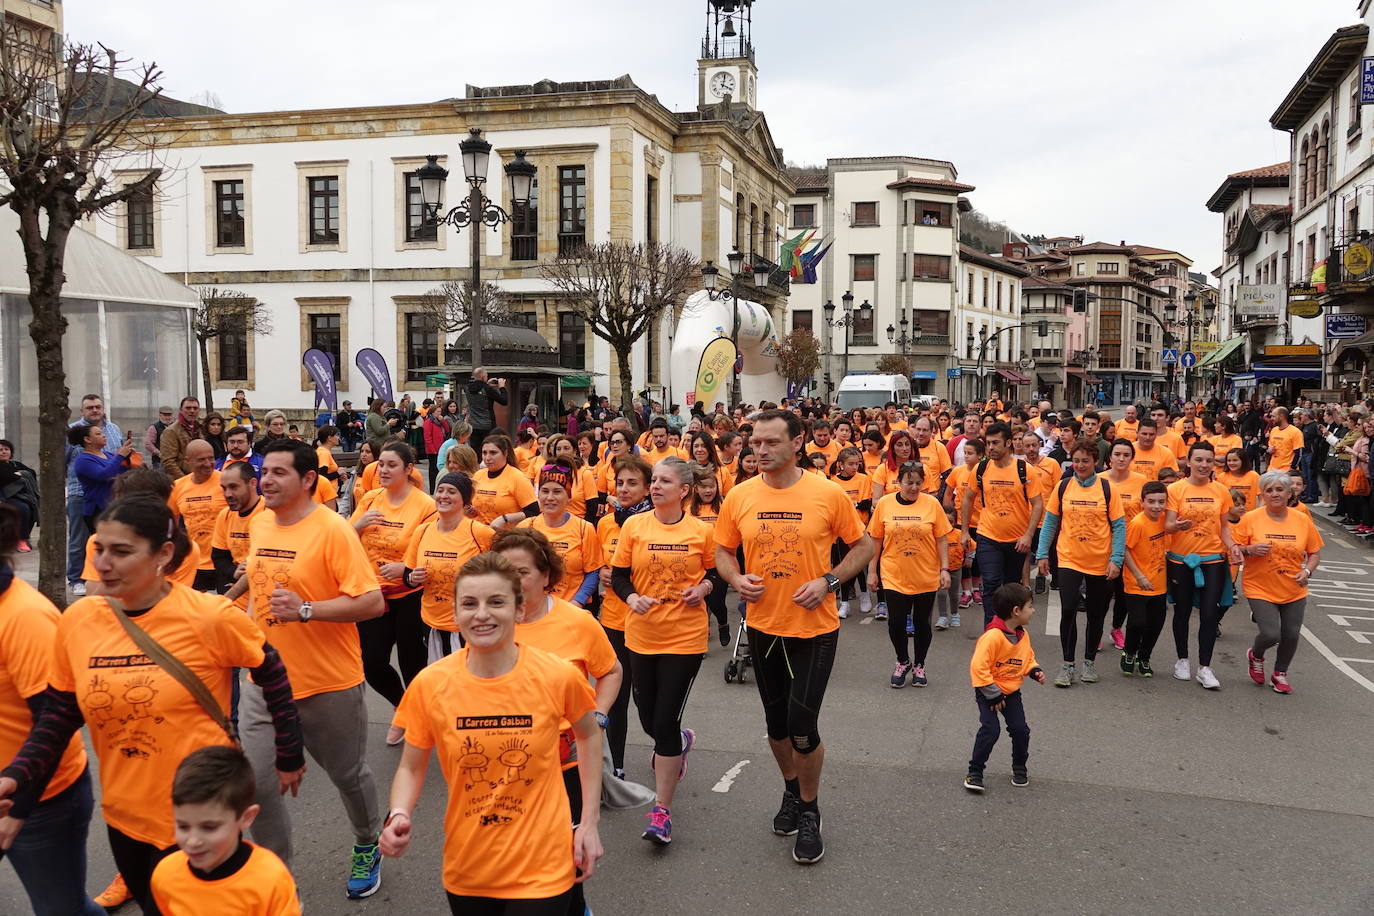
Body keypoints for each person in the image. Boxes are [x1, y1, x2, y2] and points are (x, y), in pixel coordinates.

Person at [0, 495, 303, 914]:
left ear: (162, 554)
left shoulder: (209, 616)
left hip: (198, 815)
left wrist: (289, 751)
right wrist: (19, 776)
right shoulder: (80, 620)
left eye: (121, 552)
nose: (103, 563)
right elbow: (58, 715)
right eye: (98, 548)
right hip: (124, 814)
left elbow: (269, 669)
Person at [379, 553, 603, 914]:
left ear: (519, 610)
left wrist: (588, 824)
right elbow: (411, 766)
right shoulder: (431, 684)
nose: (481, 614)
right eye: (469, 603)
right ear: (455, 614)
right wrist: (399, 813)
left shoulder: (557, 675)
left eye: (496, 602)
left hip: (543, 865)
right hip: (468, 867)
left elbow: (589, 736)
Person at [714, 410, 871, 866]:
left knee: (803, 728)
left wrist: (829, 581)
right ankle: (790, 789)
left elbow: (862, 546)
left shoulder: (827, 493)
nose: (759, 451)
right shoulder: (740, 496)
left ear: (798, 442)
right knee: (777, 727)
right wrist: (734, 578)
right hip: (763, 628)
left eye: (770, 443)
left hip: (814, 630)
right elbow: (723, 550)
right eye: (755, 443)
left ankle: (809, 808)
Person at [233, 440, 386, 899]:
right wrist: (230, 605)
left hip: (327, 684)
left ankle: (367, 842)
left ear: (307, 481)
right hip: (264, 681)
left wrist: (306, 609)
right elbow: (256, 580)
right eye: (266, 471)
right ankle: (279, 880)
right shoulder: (260, 523)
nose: (268, 480)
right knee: (258, 782)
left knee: (348, 774)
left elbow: (372, 601)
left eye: (280, 473)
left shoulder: (332, 531)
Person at [493, 528, 620, 914]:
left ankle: (575, 907)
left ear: (546, 576)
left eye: (522, 572)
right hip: (507, 761)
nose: (512, 582)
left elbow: (611, 670)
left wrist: (597, 715)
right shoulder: (489, 622)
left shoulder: (576, 622)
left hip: (567, 759)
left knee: (568, 851)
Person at [0, 504, 106, 916]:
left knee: (62, 910)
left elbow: (55, 721)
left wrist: (21, 809)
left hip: (38, 800)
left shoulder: (26, 618)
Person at [610, 457, 714, 846]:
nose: (655, 487)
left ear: (684, 490)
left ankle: (662, 812)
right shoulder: (634, 526)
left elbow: (716, 573)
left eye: (664, 482)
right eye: (653, 481)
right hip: (640, 635)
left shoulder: (701, 531)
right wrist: (632, 596)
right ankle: (679, 744)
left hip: (685, 638)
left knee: (665, 720)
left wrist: (702, 589)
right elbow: (619, 575)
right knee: (650, 720)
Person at [351, 442, 437, 745]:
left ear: (408, 469)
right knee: (371, 663)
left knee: (413, 664)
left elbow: (431, 549)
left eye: (390, 465)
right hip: (372, 595)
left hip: (409, 595)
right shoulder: (371, 498)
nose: (382, 470)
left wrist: (404, 567)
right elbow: (344, 540)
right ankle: (403, 708)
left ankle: (418, 717)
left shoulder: (425, 505)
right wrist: (359, 523)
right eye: (381, 465)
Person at [150, 747, 300, 916]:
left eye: (209, 827)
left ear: (246, 817)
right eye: (183, 826)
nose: (193, 841)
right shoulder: (165, 876)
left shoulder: (271, 879)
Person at [1036, 442, 1126, 688]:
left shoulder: (1107, 489)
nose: (1080, 465)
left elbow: (1119, 527)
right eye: (1076, 460)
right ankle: (1067, 664)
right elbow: (1051, 522)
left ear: (1094, 461)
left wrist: (1116, 560)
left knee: (1096, 614)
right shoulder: (1063, 487)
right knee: (1068, 611)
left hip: (1100, 561)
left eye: (1085, 460)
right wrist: (1042, 554)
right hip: (1068, 559)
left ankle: (1089, 661)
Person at [1233, 470, 1323, 695]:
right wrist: (1249, 549)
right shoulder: (1251, 519)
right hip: (1259, 586)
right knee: (1271, 634)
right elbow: (1233, 548)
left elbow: (1314, 553)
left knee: (1291, 634)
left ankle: (1280, 673)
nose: (1274, 494)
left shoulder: (1302, 519)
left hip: (1294, 587)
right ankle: (1256, 654)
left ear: (1289, 492)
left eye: (1279, 489)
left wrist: (1307, 571)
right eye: (1269, 490)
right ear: (1262, 494)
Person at [867, 461, 951, 688]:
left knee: (922, 622)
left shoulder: (932, 504)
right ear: (899, 482)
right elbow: (876, 540)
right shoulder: (885, 504)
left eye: (918, 483)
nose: (914, 488)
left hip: (925, 574)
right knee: (895, 622)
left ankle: (920, 665)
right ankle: (903, 661)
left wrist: (945, 569)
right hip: (894, 573)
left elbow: (942, 539)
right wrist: (871, 571)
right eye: (909, 482)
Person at [596, 454, 654, 779]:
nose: (625, 488)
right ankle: (616, 767)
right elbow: (595, 566)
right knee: (616, 698)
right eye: (620, 482)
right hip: (614, 621)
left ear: (647, 489)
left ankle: (669, 743)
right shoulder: (605, 523)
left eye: (633, 483)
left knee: (646, 700)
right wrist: (604, 572)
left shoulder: (655, 522)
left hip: (647, 624)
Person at [1165, 441, 1238, 690]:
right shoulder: (1175, 489)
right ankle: (1182, 660)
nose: (1204, 465)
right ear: (1189, 461)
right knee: (1182, 611)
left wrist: (1233, 547)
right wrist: (1178, 526)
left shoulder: (1221, 490)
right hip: (1181, 559)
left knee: (1209, 614)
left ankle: (1205, 667)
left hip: (1213, 559)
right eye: (1199, 460)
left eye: (1209, 460)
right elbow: (1168, 525)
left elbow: (1225, 526)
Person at [402, 472, 494, 663]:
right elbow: (407, 575)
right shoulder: (422, 531)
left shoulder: (480, 533)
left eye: (451, 492)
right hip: (431, 622)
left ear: (464, 501)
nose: (443, 495)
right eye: (440, 490)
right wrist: (412, 579)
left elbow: (504, 574)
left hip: (468, 625)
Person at [963, 583, 1044, 793]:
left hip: (1011, 691)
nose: (1033, 610)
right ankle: (975, 772)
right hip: (988, 692)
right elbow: (978, 668)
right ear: (1016, 611)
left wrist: (1034, 670)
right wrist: (993, 695)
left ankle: (1019, 768)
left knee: (1020, 730)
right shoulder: (992, 637)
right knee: (991, 730)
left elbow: (1026, 658)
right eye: (1030, 606)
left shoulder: (1022, 635)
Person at [963, 423, 1044, 628]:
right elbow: (967, 499)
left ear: (1008, 443)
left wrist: (1028, 535)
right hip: (988, 536)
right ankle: (991, 629)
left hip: (1017, 540)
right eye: (988, 443)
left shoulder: (1024, 470)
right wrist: (964, 531)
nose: (990, 448)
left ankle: (1009, 627)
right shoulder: (981, 468)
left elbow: (1037, 504)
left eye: (995, 443)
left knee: (1010, 588)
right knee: (990, 584)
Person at [517, 462, 603, 607]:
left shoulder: (584, 529)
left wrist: (577, 602)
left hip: (571, 609)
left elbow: (593, 572)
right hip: (533, 609)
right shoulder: (526, 528)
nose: (550, 497)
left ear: (568, 496)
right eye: (545, 491)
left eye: (557, 491)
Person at [1121, 481, 1170, 677]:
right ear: (1142, 502)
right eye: (1151, 501)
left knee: (1156, 623)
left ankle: (1145, 656)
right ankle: (1129, 652)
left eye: (1161, 501)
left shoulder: (1165, 519)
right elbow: (1124, 550)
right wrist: (1139, 575)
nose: (1156, 506)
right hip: (1137, 583)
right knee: (1138, 622)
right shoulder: (1138, 523)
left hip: (1159, 583)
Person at [168, 440, 227, 592]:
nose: (208, 464)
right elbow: (171, 526)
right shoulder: (178, 487)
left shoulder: (226, 482)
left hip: (224, 560)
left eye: (211, 458)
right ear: (188, 461)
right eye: (201, 459)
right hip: (193, 561)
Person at [210, 460, 266, 598]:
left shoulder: (269, 512)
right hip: (237, 599)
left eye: (234, 487)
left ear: (253, 483)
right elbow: (218, 556)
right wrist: (233, 571)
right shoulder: (225, 515)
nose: (227, 494)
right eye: (224, 488)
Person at [69, 421, 135, 533]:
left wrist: (127, 458)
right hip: (97, 510)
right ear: (87, 439)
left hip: (113, 506)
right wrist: (120, 456)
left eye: (102, 433)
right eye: (98, 434)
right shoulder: (83, 460)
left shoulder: (108, 455)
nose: (103, 435)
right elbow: (104, 475)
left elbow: (122, 472)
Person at [473, 435, 538, 530]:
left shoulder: (517, 477)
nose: (487, 457)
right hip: (479, 535)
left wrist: (505, 519)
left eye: (493, 453)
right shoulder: (478, 475)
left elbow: (534, 512)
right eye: (484, 453)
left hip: (507, 537)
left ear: (505, 453)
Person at [0, 440, 38, 552]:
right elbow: (5, 476)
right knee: (23, 508)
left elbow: (31, 473)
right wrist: (17, 475)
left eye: (6, 449)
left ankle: (23, 538)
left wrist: (19, 474)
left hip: (20, 496)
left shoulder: (16, 464)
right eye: (0, 450)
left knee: (33, 507)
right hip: (3, 497)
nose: (3, 452)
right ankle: (21, 539)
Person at [160, 397, 204, 480]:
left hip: (198, 478)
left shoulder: (200, 429)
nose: (192, 411)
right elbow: (168, 462)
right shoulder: (171, 431)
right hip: (180, 481)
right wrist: (185, 480)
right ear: (181, 410)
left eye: (195, 408)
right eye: (188, 408)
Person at [465, 368, 510, 447]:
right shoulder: (487, 389)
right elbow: (504, 401)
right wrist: (502, 387)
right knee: (489, 447)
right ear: (483, 377)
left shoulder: (467, 388)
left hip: (474, 426)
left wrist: (486, 384)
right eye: (486, 376)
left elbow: (477, 387)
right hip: (487, 425)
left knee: (476, 450)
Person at [1266, 406, 1304, 474]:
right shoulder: (1274, 430)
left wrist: (1292, 469)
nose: (1272, 419)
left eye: (1274, 416)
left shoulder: (1295, 432)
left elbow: (1299, 453)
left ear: (1282, 416)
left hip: (1286, 470)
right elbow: (1270, 448)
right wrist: (1269, 450)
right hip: (1272, 470)